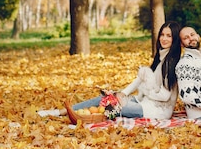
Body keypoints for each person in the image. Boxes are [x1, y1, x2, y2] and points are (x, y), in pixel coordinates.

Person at [39, 21, 182, 122]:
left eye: (168, 36)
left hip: (156, 111)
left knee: (108, 106)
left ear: (174, 39)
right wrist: (122, 93)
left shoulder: (170, 62)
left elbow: (164, 96)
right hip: (143, 102)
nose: (164, 38)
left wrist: (145, 89)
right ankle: (61, 112)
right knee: (107, 97)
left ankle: (76, 118)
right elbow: (140, 79)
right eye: (162, 34)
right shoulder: (161, 58)